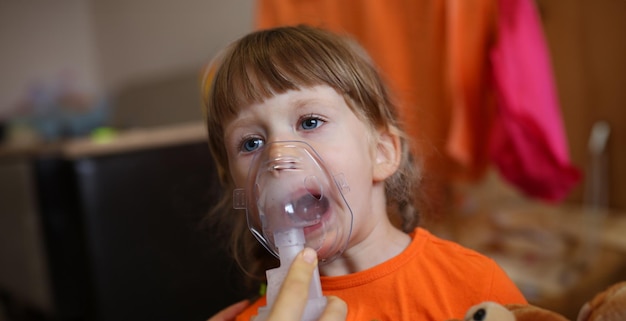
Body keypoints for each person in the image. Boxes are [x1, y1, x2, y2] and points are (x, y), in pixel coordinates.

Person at [201, 25, 527, 321]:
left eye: (310, 122)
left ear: (382, 152)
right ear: (237, 190)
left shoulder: (471, 283)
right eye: (251, 142)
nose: (278, 157)